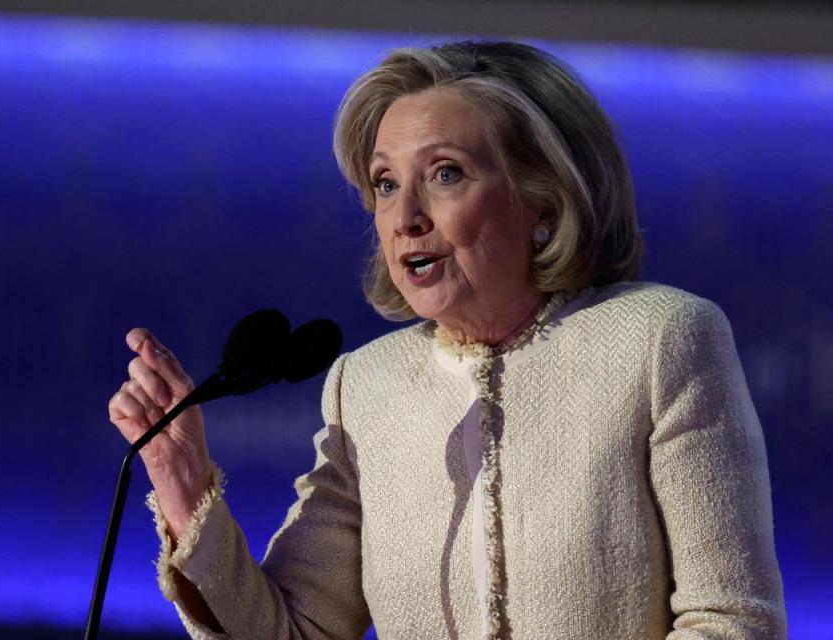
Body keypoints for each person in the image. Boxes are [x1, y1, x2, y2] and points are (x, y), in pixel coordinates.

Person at [108, 41, 786, 639]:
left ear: (543, 204)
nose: (404, 217)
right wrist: (183, 483)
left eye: (446, 174)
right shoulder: (367, 387)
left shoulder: (658, 340)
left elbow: (732, 622)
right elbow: (296, 630)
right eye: (384, 183)